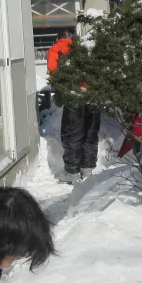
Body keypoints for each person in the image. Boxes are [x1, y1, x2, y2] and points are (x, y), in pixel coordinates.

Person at [47, 32, 100, 182]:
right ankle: (87, 170)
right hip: (94, 94)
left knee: (72, 133)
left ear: (58, 38)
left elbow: (53, 72)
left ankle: (72, 173)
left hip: (73, 93)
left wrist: (58, 90)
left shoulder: (56, 49)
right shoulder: (84, 46)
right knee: (91, 132)